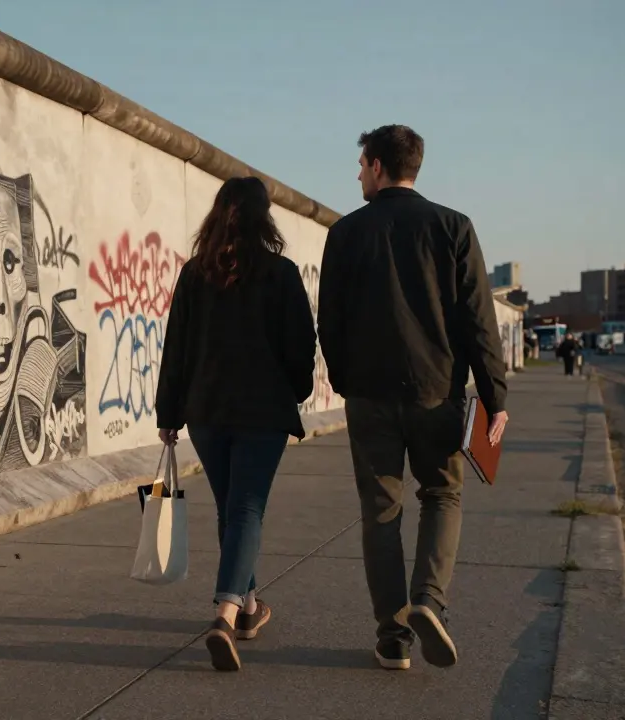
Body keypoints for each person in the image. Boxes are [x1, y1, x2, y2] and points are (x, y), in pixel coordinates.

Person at [317, 125, 509, 672]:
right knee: (443, 496)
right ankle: (429, 600)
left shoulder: (346, 234)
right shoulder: (454, 227)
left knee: (381, 513)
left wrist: (347, 379)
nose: (357, 173)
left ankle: (392, 639)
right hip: (437, 394)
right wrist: (495, 397)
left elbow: (328, 321)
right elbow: (479, 321)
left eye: (360, 164)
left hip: (370, 397)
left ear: (378, 166)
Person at [154, 175, 317, 672]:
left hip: (206, 411)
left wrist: (169, 413)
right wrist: (295, 391)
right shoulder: (282, 274)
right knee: (246, 508)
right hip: (262, 412)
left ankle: (248, 609)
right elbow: (301, 347)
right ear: (263, 217)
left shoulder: (194, 275)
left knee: (230, 509)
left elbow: (175, 348)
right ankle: (224, 614)